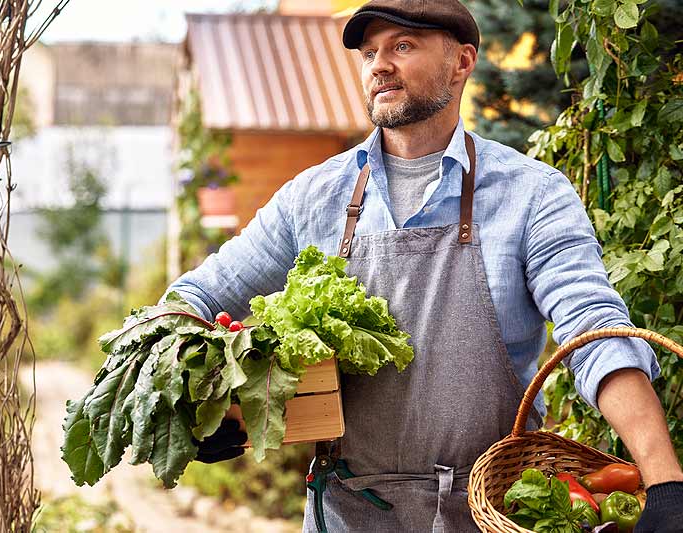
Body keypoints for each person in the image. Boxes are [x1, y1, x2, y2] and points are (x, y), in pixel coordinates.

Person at [168, 0, 683, 530]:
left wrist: (665, 482)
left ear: (461, 62)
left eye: (402, 46)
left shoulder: (532, 195)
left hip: (491, 512)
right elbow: (195, 298)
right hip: (349, 513)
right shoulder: (313, 197)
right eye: (369, 53)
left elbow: (596, 333)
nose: (378, 65)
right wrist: (196, 403)